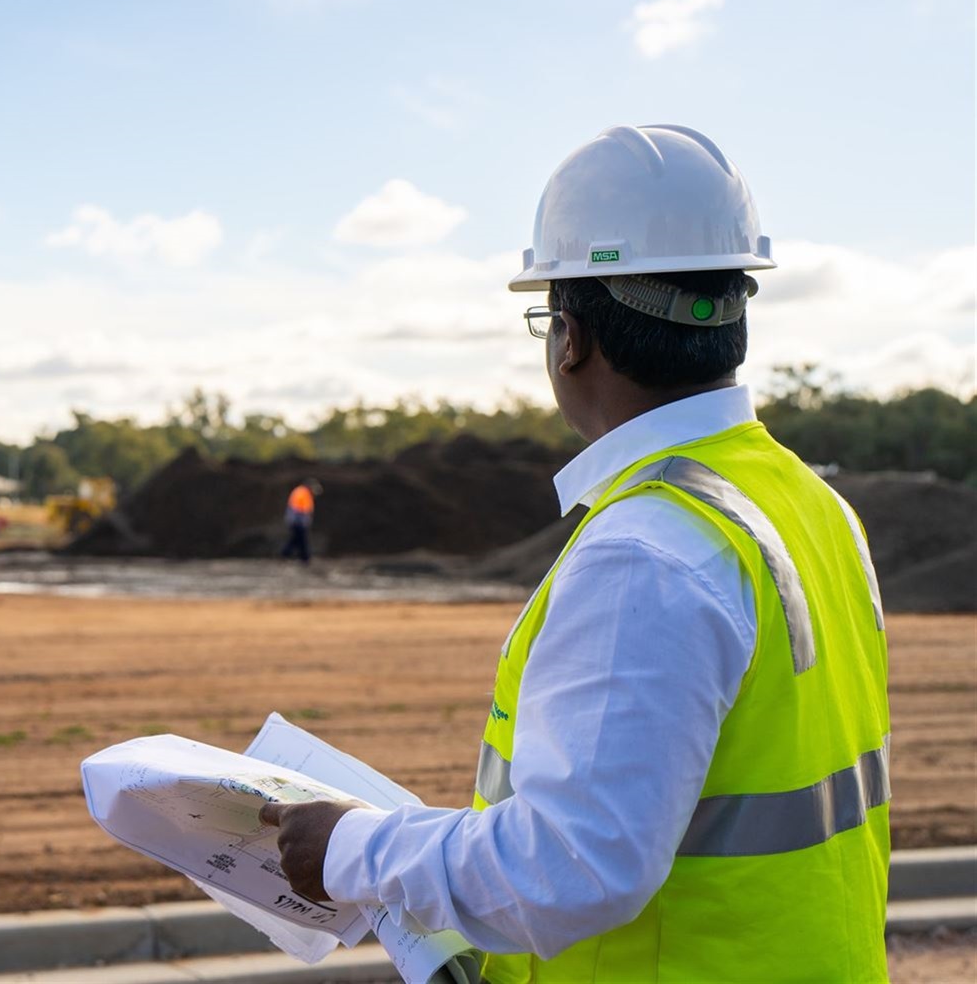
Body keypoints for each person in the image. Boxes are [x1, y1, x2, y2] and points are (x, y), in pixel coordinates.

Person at [261, 125, 890, 981]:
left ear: (571, 336)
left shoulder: (649, 552)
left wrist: (354, 848)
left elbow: (574, 867)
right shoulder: (812, 506)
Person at [280, 478, 321, 564]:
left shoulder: (303, 492)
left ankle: (287, 555)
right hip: (297, 521)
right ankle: (304, 558)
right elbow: (299, 508)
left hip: (297, 520)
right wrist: (303, 520)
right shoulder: (302, 492)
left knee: (296, 539)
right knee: (301, 539)